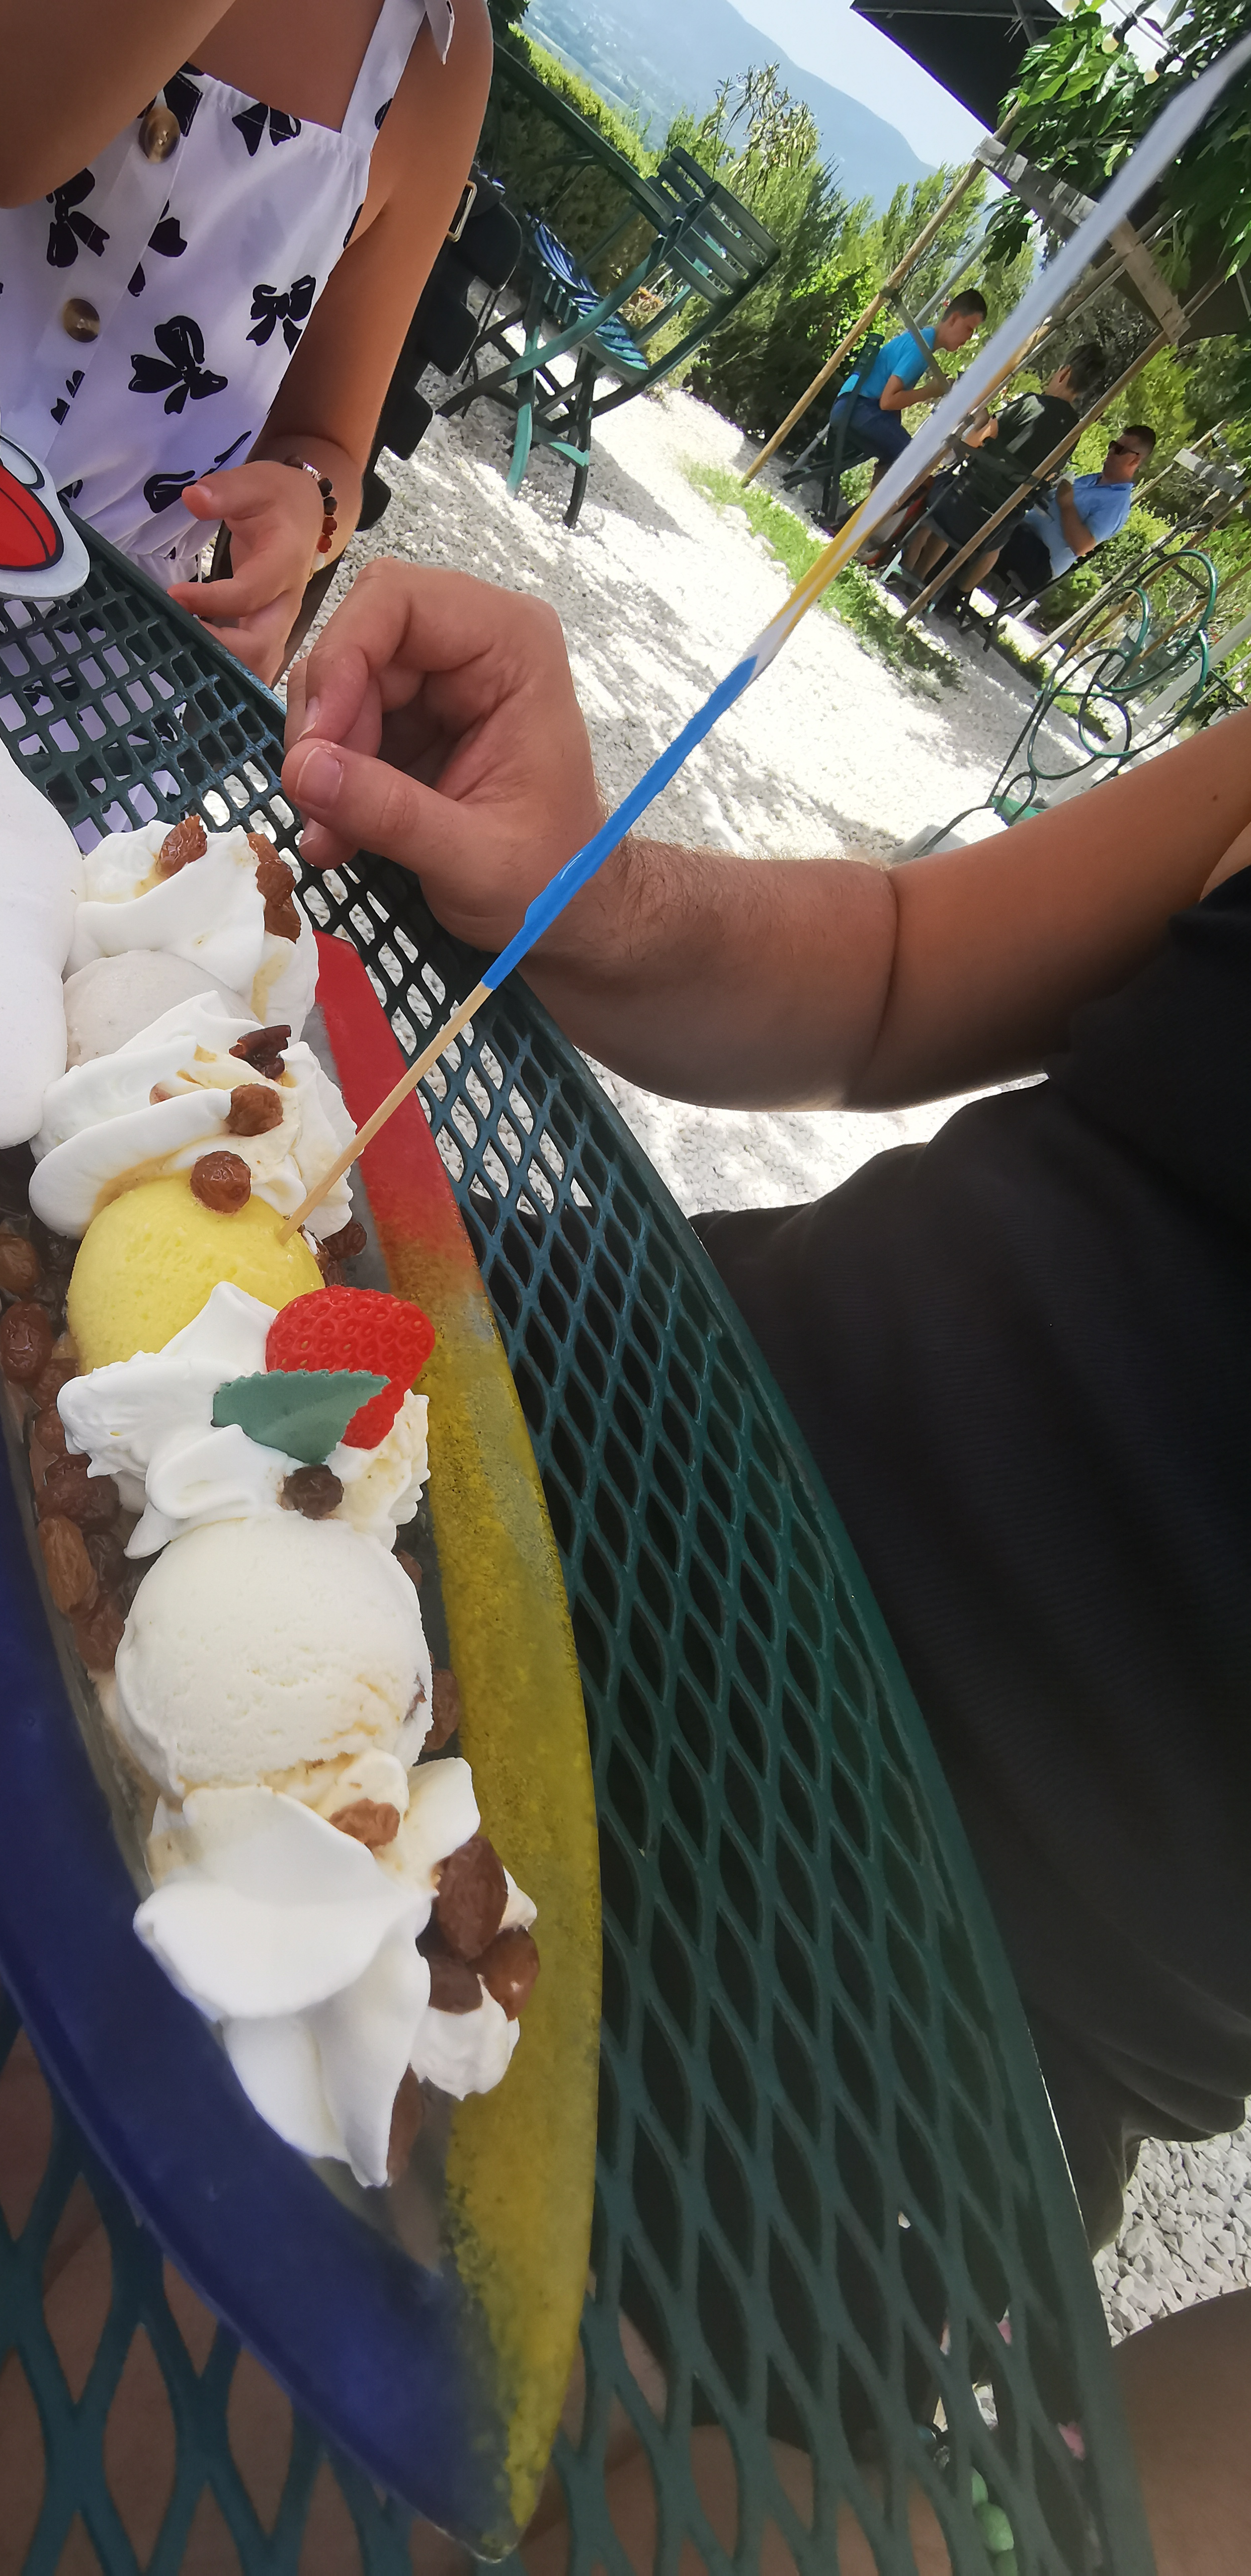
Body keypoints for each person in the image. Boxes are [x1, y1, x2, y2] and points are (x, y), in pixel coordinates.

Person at [274, 557, 1251, 2572]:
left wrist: (984, 2534)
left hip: (910, 2002)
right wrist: (596, 888)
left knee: (78, 2453)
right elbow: (900, 971)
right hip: (633, 1410)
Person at [0, 0, 490, 681]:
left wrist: (304, 505)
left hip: (100, 659)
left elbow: (327, 441)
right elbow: (3, 140)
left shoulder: (434, 51)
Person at [898, 339, 1102, 600]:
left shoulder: (1032, 404)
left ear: (1064, 373)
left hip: (959, 501)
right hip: (994, 527)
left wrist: (981, 418)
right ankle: (918, 579)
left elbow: (973, 444)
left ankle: (905, 570)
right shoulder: (1073, 435)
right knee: (963, 498)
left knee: (938, 486)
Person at [937, 420, 1157, 619]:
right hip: (1025, 534)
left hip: (1040, 561)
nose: (1111, 451)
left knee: (996, 528)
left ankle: (950, 595)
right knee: (987, 514)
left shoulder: (1117, 504)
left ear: (1135, 459)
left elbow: (1082, 546)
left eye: (1119, 450)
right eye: (1112, 445)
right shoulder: (1093, 480)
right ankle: (938, 578)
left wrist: (1067, 505)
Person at [825, 290, 987, 476]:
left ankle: (881, 497)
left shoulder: (923, 340)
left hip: (851, 405)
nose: (969, 337)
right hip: (857, 407)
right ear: (954, 319)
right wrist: (929, 392)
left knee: (894, 461)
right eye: (969, 329)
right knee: (914, 463)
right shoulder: (922, 348)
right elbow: (888, 401)